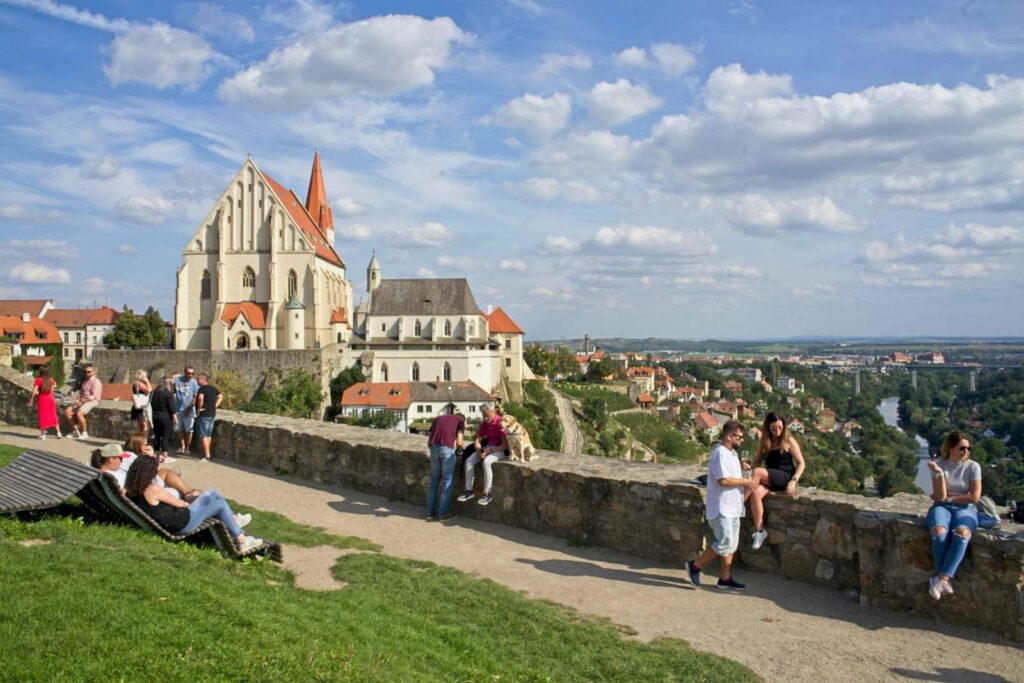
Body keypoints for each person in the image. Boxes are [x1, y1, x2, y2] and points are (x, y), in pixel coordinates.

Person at [124, 455, 262, 552]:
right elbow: (182, 505)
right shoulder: (152, 489)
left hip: (173, 523)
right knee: (213, 495)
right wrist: (193, 499)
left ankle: (239, 533)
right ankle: (240, 534)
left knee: (216, 502)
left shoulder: (131, 490)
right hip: (183, 522)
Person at [686, 421, 758, 590]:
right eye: (739, 437)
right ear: (729, 436)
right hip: (721, 507)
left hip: (733, 506)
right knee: (725, 542)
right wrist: (746, 481)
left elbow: (730, 476)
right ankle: (694, 565)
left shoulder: (732, 454)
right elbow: (723, 480)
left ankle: (725, 578)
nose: (742, 440)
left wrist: (742, 469)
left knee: (731, 545)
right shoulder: (719, 454)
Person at [925, 431, 982, 600]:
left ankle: (942, 578)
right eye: (962, 448)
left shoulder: (973, 466)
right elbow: (940, 497)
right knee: (938, 532)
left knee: (963, 533)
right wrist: (940, 474)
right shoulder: (938, 464)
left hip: (966, 509)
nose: (966, 451)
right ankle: (944, 579)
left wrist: (950, 498)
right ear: (950, 448)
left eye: (968, 448)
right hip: (941, 508)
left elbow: (975, 497)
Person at [747, 412, 806, 549]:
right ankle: (760, 531)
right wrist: (750, 467)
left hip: (785, 477)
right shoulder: (764, 441)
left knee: (756, 472)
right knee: (755, 494)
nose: (778, 431)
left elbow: (801, 463)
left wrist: (794, 480)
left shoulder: (788, 440)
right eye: (774, 428)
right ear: (768, 428)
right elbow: (756, 461)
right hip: (770, 477)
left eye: (780, 427)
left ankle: (737, 506)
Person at [458, 405, 509, 507]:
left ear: (494, 412)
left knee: (487, 462)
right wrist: (479, 449)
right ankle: (469, 491)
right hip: (488, 448)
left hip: (500, 449)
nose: (485, 419)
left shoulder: (500, 423)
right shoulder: (484, 423)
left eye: (487, 416)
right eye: (483, 416)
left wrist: (489, 451)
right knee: (469, 461)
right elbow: (477, 441)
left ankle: (487, 493)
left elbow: (505, 445)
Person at [426, 408, 465, 521]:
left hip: (433, 448)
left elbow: (430, 433)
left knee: (434, 481)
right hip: (446, 449)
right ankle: (443, 514)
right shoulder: (460, 420)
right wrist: (460, 449)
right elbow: (459, 442)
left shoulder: (438, 418)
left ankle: (429, 513)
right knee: (447, 481)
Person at [64, 364, 102, 439]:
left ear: (93, 372)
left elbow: (93, 396)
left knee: (79, 412)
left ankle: (84, 433)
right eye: (86, 372)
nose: (87, 373)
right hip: (82, 400)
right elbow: (81, 393)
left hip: (92, 401)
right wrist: (78, 400)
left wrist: (82, 402)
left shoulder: (96, 381)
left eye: (89, 372)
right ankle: (75, 431)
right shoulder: (85, 381)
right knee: (67, 412)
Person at [27, 366, 61, 439]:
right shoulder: (51, 380)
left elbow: (34, 391)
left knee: (43, 415)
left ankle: (43, 435)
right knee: (53, 415)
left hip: (42, 398)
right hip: (50, 398)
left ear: (41, 372)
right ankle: (58, 433)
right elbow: (52, 390)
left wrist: (31, 398)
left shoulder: (38, 380)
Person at [195, 373, 222, 462]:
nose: (197, 381)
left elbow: (200, 398)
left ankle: (207, 456)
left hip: (204, 414)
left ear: (203, 380)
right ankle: (207, 453)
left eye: (198, 379)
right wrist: (215, 406)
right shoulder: (213, 388)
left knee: (203, 435)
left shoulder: (202, 389)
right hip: (211, 414)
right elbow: (220, 396)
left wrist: (199, 408)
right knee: (208, 435)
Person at [174, 367, 199, 454]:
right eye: (188, 373)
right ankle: (182, 446)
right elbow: (174, 391)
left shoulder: (194, 382)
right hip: (178, 409)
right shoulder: (178, 380)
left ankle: (188, 448)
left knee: (189, 430)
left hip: (189, 410)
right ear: (184, 373)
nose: (190, 375)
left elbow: (195, 397)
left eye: (192, 373)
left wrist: (189, 408)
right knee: (179, 429)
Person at [150, 376, 177, 459]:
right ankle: (165, 456)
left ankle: (156, 454)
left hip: (155, 416)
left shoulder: (153, 392)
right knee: (165, 437)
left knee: (157, 435)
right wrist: (175, 418)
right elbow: (172, 408)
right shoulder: (168, 394)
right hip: (165, 417)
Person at [130, 369, 152, 437]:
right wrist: (147, 381)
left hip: (137, 406)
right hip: (142, 407)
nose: (145, 377)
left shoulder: (135, 383)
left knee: (140, 427)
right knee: (145, 426)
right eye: (144, 376)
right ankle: (143, 442)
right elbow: (149, 390)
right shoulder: (139, 383)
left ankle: (139, 442)